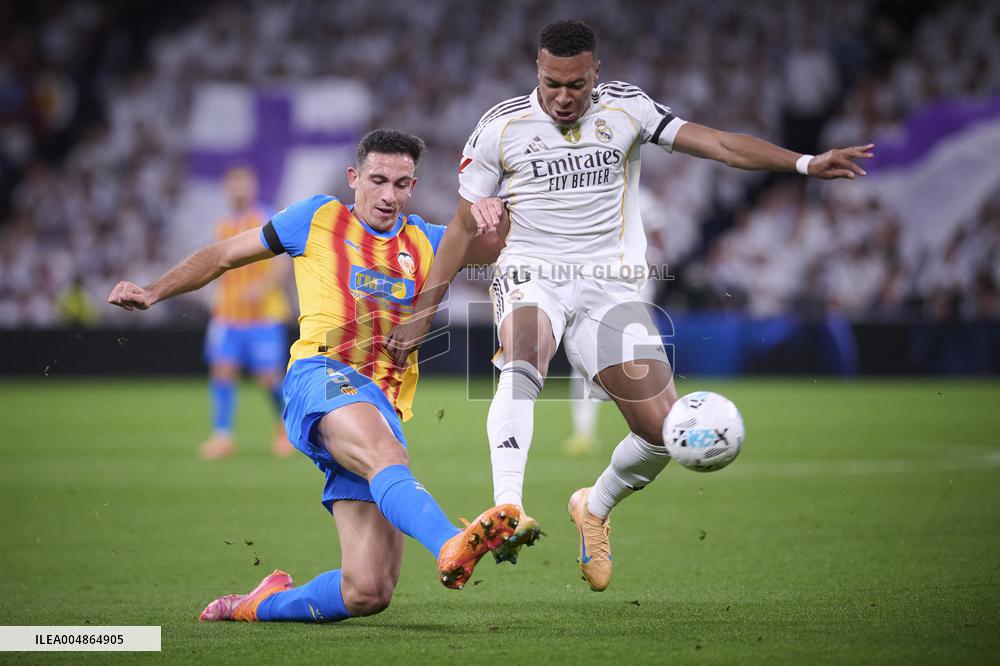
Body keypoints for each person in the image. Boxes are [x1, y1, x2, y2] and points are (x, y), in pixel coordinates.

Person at [386, 20, 873, 591]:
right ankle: (507, 507)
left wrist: (805, 163)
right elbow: (462, 227)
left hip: (610, 286)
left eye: (576, 85)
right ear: (537, 71)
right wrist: (423, 313)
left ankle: (594, 506)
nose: (562, 97)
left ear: (596, 73)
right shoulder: (501, 127)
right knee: (525, 350)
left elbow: (719, 145)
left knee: (663, 431)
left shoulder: (628, 110)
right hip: (532, 271)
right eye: (551, 84)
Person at [108, 129, 520, 623]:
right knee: (388, 455)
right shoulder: (316, 218)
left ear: (413, 187)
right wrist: (153, 291)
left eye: (401, 184)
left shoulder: (429, 242)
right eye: (378, 180)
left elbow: (492, 247)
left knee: (368, 591)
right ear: (354, 178)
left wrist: (498, 206)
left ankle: (256, 605)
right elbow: (222, 256)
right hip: (321, 376)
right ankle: (450, 543)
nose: (389, 195)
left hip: (380, 405)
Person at [200, 166, 294, 460]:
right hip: (227, 315)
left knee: (269, 377)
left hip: (262, 315)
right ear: (226, 189)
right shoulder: (222, 225)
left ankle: (286, 430)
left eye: (243, 184)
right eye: (233, 185)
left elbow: (283, 262)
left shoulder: (266, 219)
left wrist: (262, 287)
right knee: (222, 371)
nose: (238, 190)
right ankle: (222, 436)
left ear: (252, 188)